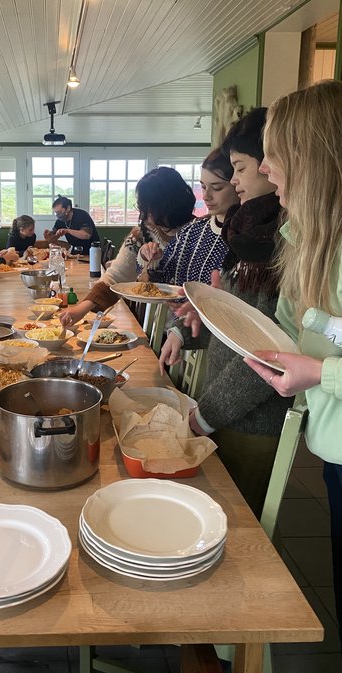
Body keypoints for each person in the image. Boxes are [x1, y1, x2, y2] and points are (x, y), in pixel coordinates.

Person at [242, 80, 342, 644]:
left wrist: (319, 374)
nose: (266, 167)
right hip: (332, 447)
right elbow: (291, 327)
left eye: (275, 153)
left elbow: (320, 357)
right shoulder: (307, 238)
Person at [160, 108, 293, 518]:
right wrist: (190, 329)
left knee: (239, 526)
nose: (235, 181)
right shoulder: (250, 232)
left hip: (251, 418)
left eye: (239, 168)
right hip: (222, 406)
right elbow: (236, 321)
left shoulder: (282, 244)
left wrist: (204, 416)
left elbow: (267, 351)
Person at [59, 166, 196, 326]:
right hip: (147, 324)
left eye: (147, 209)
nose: (142, 215)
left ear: (168, 205)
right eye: (140, 207)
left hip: (187, 331)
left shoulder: (198, 234)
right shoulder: (140, 235)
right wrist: (81, 310)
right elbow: (116, 276)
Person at [142, 149, 239, 285]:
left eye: (217, 188)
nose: (206, 196)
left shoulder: (244, 237)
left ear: (238, 185)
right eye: (203, 187)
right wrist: (153, 257)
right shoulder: (191, 231)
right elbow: (160, 278)